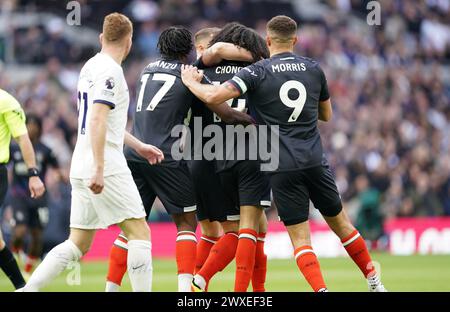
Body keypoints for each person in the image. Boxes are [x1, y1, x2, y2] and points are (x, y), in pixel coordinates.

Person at [181, 15, 387, 292]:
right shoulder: (313, 68)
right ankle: (374, 282)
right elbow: (326, 114)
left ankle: (320, 290)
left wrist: (192, 81)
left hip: (279, 162)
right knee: (343, 226)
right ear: (296, 40)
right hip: (314, 158)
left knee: (300, 241)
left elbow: (216, 97)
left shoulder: (258, 71)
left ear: (268, 40)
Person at [20, 12, 164, 292]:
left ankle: (29, 289)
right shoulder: (111, 71)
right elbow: (97, 120)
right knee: (139, 232)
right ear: (129, 41)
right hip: (104, 163)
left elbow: (100, 121)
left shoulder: (89, 67)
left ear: (101, 38)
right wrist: (100, 167)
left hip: (81, 161)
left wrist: (138, 145)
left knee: (78, 242)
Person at [105, 26, 253, 292]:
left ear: (161, 48)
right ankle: (186, 291)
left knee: (132, 228)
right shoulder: (189, 76)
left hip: (135, 152)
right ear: (187, 51)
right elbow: (227, 114)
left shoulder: (146, 71)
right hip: (166, 156)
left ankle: (111, 288)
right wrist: (252, 121)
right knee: (186, 224)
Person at [189, 23, 271, 292]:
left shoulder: (200, 71)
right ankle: (231, 289)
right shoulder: (257, 69)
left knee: (251, 227)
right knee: (245, 229)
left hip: (210, 154)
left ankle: (197, 284)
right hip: (251, 150)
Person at [0, 89, 45, 289]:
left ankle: (21, 285)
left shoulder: (7, 102)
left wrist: (33, 174)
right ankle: (21, 286)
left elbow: (23, 138)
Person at [9, 114, 63, 275]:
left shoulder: (45, 150)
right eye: (28, 125)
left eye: (34, 125)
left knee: (37, 236)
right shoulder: (13, 148)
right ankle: (16, 253)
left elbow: (56, 168)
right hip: (19, 195)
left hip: (39, 197)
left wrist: (60, 176)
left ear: (39, 128)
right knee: (19, 231)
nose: (31, 128)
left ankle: (28, 270)